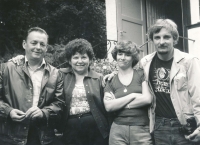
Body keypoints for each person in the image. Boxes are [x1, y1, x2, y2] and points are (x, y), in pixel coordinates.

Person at [105, 19, 200, 145]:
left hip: (185, 124)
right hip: (159, 126)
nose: (162, 42)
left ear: (174, 39)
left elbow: (198, 96)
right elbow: (128, 71)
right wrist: (114, 74)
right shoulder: (146, 62)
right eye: (157, 37)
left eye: (166, 37)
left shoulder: (188, 61)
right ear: (152, 40)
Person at [0, 27, 64, 145]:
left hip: (42, 137)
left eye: (42, 44)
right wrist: (8, 111)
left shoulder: (56, 74)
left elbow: (59, 103)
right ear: (24, 44)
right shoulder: (6, 69)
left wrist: (44, 112)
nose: (38, 47)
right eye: (34, 43)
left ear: (46, 48)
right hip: (11, 136)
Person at [59, 38, 109, 145]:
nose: (80, 61)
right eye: (75, 57)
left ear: (90, 60)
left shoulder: (99, 78)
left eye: (84, 57)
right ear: (69, 60)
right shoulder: (61, 75)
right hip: (70, 129)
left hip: (95, 129)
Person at [104, 40, 153, 145]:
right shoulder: (111, 80)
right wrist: (133, 95)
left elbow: (147, 99)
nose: (122, 57)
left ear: (133, 58)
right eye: (120, 54)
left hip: (141, 129)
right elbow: (108, 106)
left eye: (127, 55)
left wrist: (118, 103)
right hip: (118, 130)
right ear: (115, 56)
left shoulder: (141, 74)